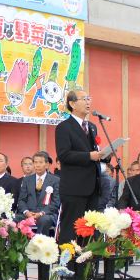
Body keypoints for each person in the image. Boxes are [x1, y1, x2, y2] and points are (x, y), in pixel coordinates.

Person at [55, 89, 103, 243]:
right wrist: (89, 156)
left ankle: (85, 265)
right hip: (74, 187)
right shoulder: (64, 127)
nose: (88, 102)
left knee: (89, 229)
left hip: (92, 186)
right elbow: (64, 155)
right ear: (72, 103)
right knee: (71, 228)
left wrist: (104, 155)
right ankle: (66, 264)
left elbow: (93, 151)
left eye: (89, 98)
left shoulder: (92, 126)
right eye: (84, 99)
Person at [17, 151, 61, 233]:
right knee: (12, 220)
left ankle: (38, 244)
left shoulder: (55, 180)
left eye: (40, 162)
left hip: (47, 214)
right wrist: (26, 212)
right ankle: (17, 245)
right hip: (28, 213)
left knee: (43, 220)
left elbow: (56, 202)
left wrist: (40, 213)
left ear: (47, 164)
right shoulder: (27, 180)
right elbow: (21, 200)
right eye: (35, 162)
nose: (37, 165)